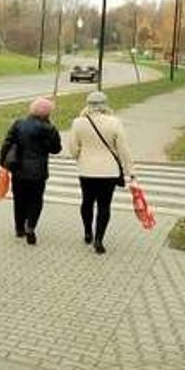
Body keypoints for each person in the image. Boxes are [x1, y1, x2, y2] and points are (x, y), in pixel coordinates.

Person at [68, 90, 136, 254]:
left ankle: (87, 232)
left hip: (86, 170)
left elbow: (73, 148)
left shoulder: (78, 122)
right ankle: (99, 239)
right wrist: (130, 171)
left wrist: (80, 156)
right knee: (104, 205)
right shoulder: (115, 122)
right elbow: (123, 149)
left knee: (87, 202)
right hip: (109, 171)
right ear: (105, 104)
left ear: (88, 104)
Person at [0, 97, 62, 245]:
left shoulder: (19, 124)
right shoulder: (49, 129)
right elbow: (56, 149)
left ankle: (19, 228)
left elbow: (7, 143)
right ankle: (31, 226)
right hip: (38, 172)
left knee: (19, 199)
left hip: (18, 169)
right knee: (35, 200)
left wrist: (3, 163)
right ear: (48, 114)